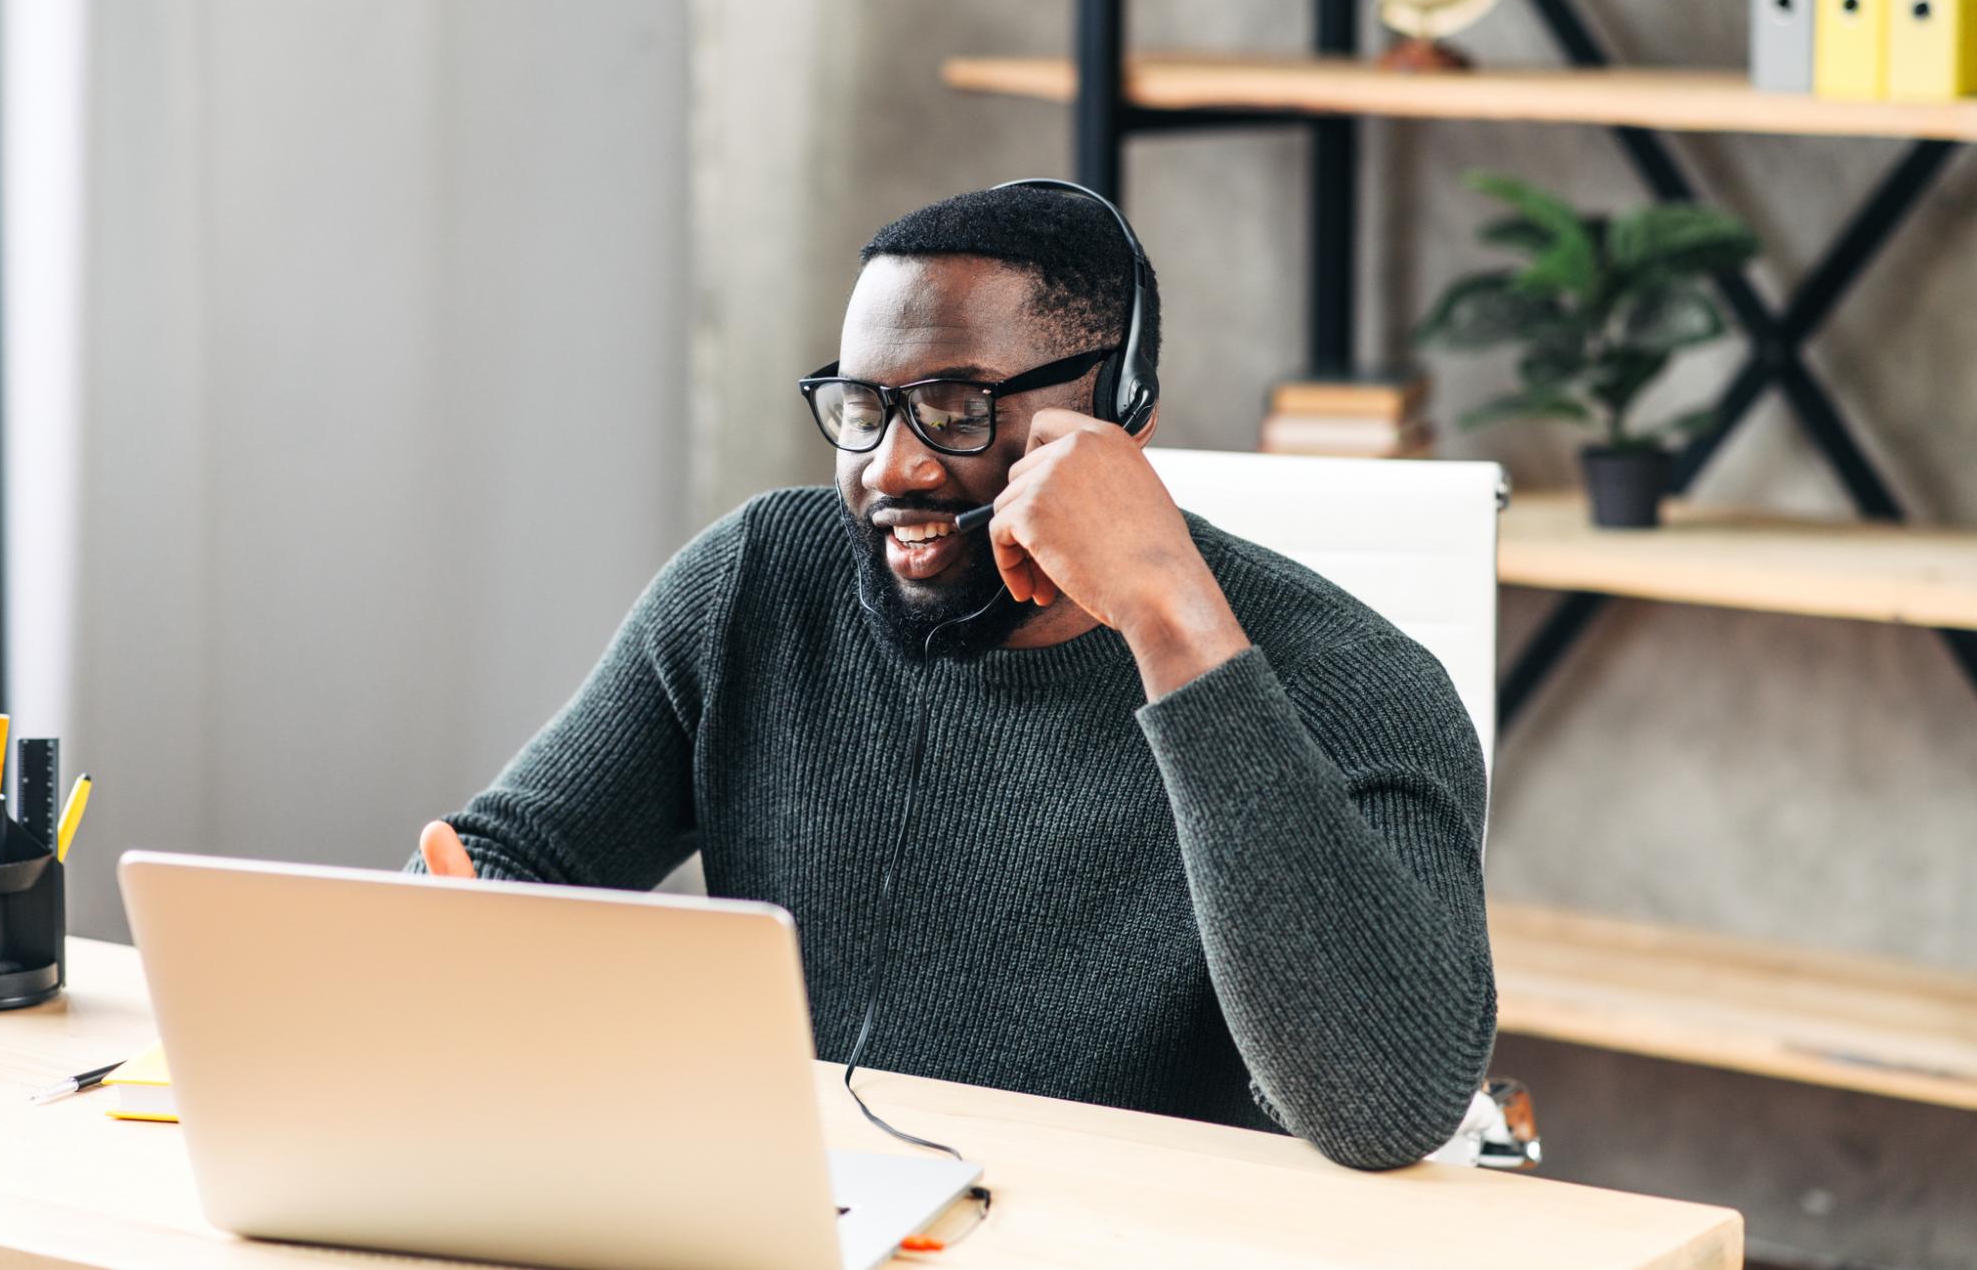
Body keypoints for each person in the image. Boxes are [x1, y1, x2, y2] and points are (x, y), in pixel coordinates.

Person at [409, 184, 1496, 1170]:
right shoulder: (759, 584)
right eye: (862, 407)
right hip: (813, 1216)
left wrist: (1168, 619)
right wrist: (456, 948)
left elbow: (1386, 1109)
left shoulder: (1355, 684)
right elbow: (505, 857)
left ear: (1119, 413)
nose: (893, 467)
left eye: (958, 407)